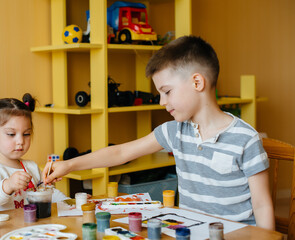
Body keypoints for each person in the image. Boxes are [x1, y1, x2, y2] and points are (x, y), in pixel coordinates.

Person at [42, 36, 275, 230]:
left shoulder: (245, 139)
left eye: (167, 91)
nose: (162, 101)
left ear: (197, 83)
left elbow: (262, 206)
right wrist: (69, 165)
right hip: (189, 232)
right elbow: (121, 152)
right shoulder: (175, 131)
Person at [0, 92, 68, 213]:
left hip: (29, 229)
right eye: (11, 134)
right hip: (3, 230)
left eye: (26, 134)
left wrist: (68, 202)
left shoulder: (31, 167)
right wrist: (7, 186)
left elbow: (46, 193)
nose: (20, 141)